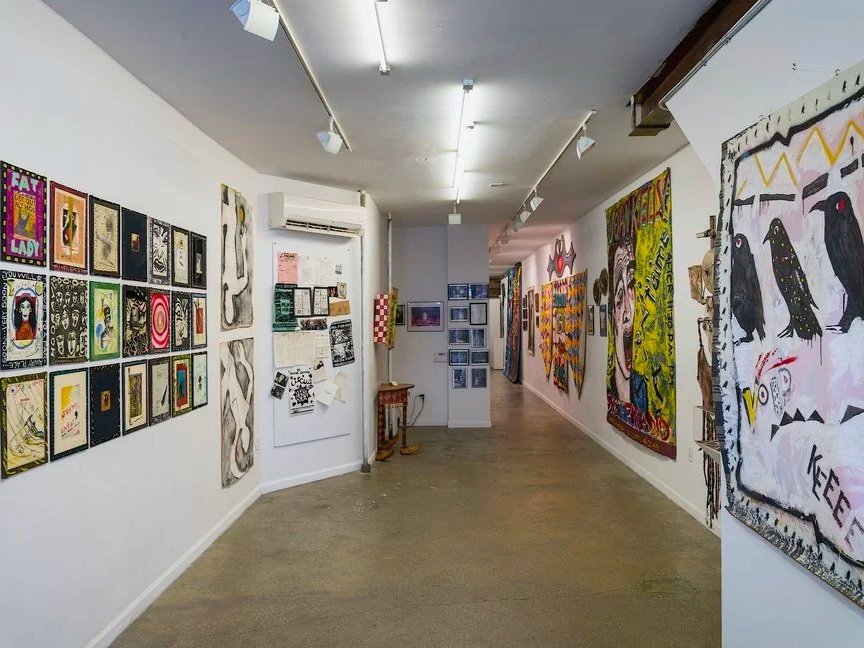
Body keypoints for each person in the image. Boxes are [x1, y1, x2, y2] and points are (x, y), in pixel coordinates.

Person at [609, 239, 647, 414]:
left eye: (631, 287)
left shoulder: (642, 391)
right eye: (619, 296)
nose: (627, 310)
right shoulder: (611, 387)